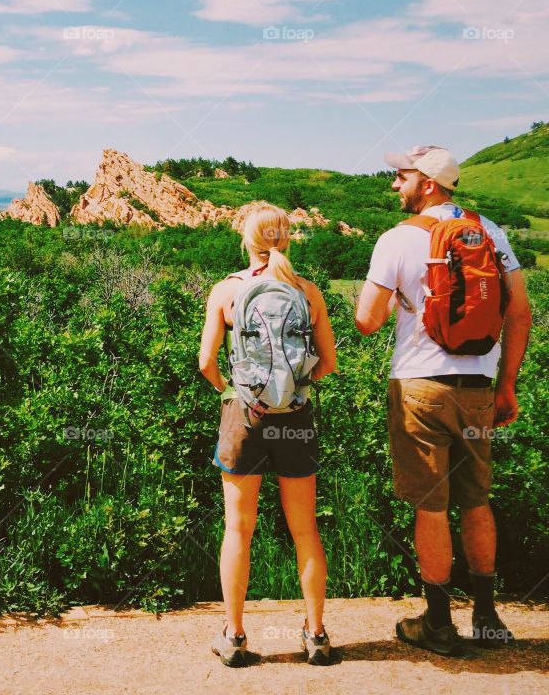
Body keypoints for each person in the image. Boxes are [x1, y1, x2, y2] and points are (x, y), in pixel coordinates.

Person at [355, 145, 532, 655]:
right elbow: (519, 314)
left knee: (432, 507)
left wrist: (395, 299)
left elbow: (366, 321)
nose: (394, 185)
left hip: (420, 388)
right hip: (478, 388)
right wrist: (507, 385)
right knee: (476, 499)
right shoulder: (491, 233)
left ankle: (436, 623)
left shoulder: (396, 239)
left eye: (401, 176)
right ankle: (488, 617)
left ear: (427, 183)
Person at [199, 203, 338, 667]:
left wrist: (236, 392)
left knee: (239, 528)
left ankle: (235, 635)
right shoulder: (307, 291)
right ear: (288, 239)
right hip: (296, 419)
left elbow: (205, 362)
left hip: (244, 415)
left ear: (248, 241)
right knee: (305, 530)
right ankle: (316, 634)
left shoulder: (228, 290)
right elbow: (329, 363)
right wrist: (292, 392)